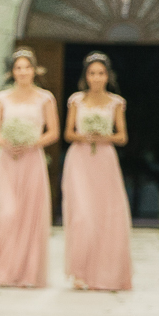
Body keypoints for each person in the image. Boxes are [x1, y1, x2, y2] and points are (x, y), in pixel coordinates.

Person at [0, 48, 60, 288]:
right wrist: (8, 143)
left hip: (33, 160)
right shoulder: (3, 98)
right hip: (7, 161)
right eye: (18, 68)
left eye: (27, 67)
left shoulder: (45, 98)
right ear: (13, 72)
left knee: (29, 216)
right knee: (7, 213)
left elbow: (53, 132)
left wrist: (31, 142)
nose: (23, 72)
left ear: (34, 71)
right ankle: (5, 271)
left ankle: (28, 273)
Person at [62, 51, 132, 291]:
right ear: (86, 76)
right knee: (82, 215)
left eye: (101, 73)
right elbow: (68, 133)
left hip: (104, 161)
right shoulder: (76, 100)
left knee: (106, 216)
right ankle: (80, 272)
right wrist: (85, 136)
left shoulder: (116, 102)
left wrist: (104, 136)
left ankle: (105, 273)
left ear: (107, 75)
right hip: (79, 160)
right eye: (92, 73)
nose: (96, 77)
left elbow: (122, 137)